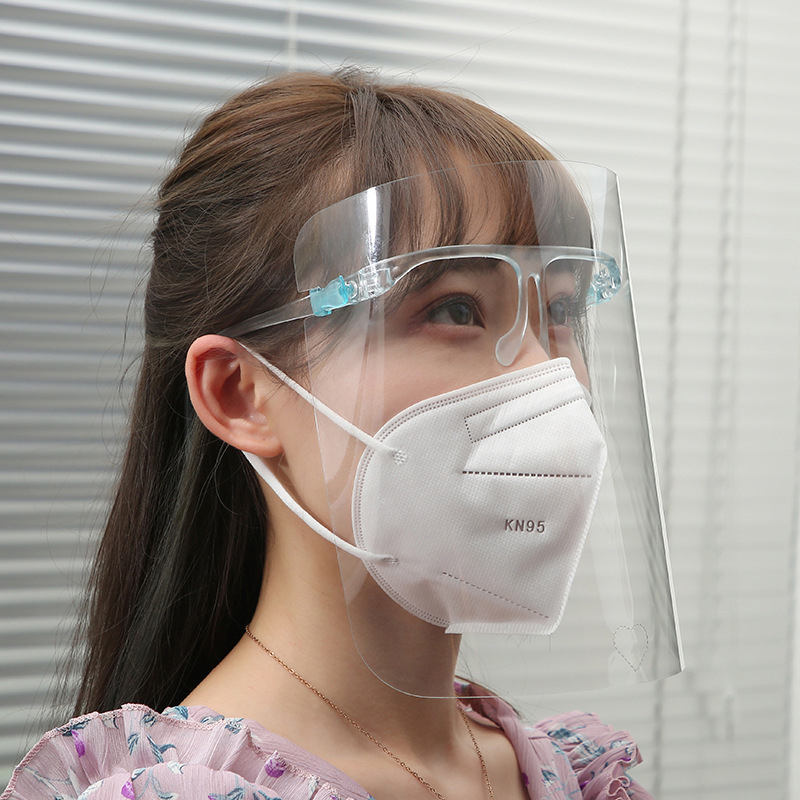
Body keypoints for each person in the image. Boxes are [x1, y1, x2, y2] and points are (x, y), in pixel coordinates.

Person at [2, 68, 679, 800]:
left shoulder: (566, 775)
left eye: (563, 311)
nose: (550, 376)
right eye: (455, 309)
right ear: (239, 394)